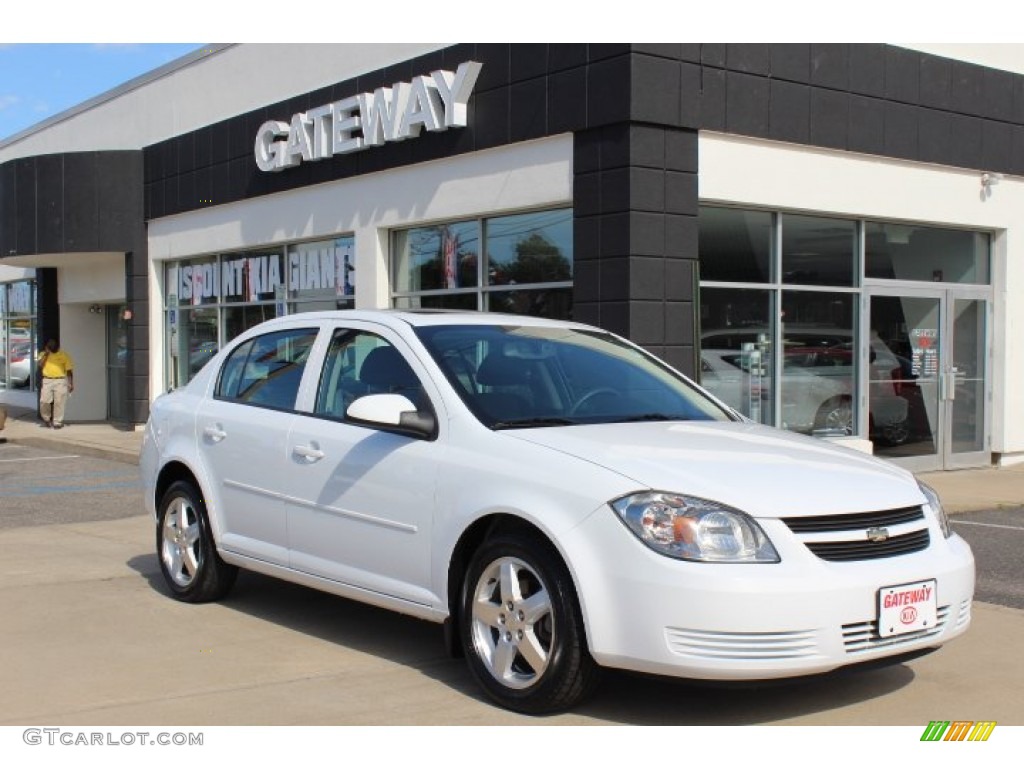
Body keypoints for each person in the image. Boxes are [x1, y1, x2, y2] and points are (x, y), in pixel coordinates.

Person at [37, 338, 74, 429]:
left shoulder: (64, 355)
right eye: (50, 348)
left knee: (59, 402)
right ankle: (46, 419)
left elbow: (69, 370)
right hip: (47, 380)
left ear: (58, 347)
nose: (52, 350)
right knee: (44, 401)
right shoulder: (42, 354)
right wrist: (46, 354)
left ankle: (57, 422)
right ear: (47, 347)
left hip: (60, 380)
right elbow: (40, 365)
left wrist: (71, 383)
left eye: (53, 348)